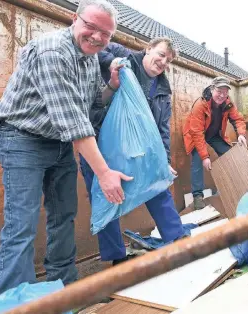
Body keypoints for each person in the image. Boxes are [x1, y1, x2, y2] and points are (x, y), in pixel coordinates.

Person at [0, 0, 131, 299]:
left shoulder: (90, 57)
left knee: (64, 217)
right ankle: (16, 303)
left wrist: (112, 87)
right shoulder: (53, 51)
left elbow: (91, 107)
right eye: (91, 26)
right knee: (21, 226)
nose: (96, 36)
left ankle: (65, 293)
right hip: (22, 140)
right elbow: (75, 124)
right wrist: (104, 173)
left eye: (105, 33)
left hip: (60, 143)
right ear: (73, 19)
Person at [79, 37, 187, 265]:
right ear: (147, 49)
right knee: (106, 195)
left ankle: (178, 240)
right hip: (102, 144)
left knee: (158, 188)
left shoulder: (163, 90)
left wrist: (164, 161)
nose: (162, 62)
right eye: (160, 55)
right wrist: (114, 64)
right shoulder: (126, 57)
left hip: (142, 149)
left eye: (167, 61)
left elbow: (162, 129)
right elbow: (97, 47)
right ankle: (116, 257)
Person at [183, 77, 247, 211]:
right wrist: (205, 157)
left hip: (214, 135)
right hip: (196, 135)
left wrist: (241, 134)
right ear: (212, 89)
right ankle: (197, 196)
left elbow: (238, 119)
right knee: (198, 161)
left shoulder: (228, 103)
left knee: (229, 154)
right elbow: (196, 132)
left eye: (225, 92)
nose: (222, 95)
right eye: (219, 91)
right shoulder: (200, 105)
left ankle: (231, 186)